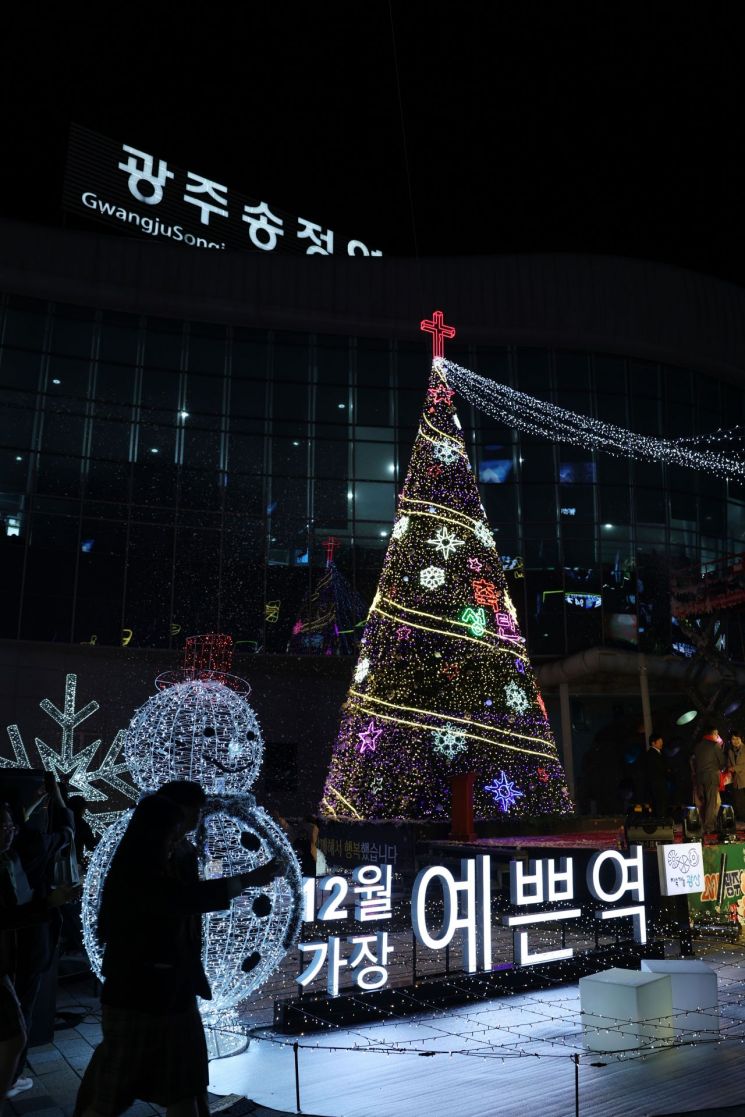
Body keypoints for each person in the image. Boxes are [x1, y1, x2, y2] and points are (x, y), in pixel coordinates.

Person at [75, 793, 285, 1117]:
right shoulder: (138, 871)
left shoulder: (165, 860)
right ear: (154, 833)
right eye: (172, 832)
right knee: (113, 1089)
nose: (178, 837)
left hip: (173, 991)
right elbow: (177, 899)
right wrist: (247, 879)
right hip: (140, 996)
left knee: (184, 1087)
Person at [0, 802, 79, 1104]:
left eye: (11, 828)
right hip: (13, 959)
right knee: (16, 1030)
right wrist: (49, 904)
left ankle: (11, 1075)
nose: (8, 834)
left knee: (19, 1025)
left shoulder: (12, 857)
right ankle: (8, 1079)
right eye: (2, 828)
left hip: (24, 954)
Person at [693, 725, 726, 835]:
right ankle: (709, 827)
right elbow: (722, 762)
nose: (717, 736)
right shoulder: (715, 745)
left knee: (705, 803)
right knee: (712, 803)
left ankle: (703, 826)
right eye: (716, 733)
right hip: (711, 777)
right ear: (712, 734)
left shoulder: (698, 746)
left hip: (700, 778)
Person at [641, 731, 669, 817]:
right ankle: (661, 820)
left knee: (660, 802)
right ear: (653, 743)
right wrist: (667, 770)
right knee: (659, 802)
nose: (662, 744)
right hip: (657, 783)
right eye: (660, 742)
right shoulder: (652, 754)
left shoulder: (655, 753)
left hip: (657, 782)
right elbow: (659, 768)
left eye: (662, 742)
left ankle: (660, 818)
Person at [725, 731, 745, 822]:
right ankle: (741, 818)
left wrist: (735, 768)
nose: (735, 741)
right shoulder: (730, 751)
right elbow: (729, 764)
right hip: (736, 780)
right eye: (733, 739)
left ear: (741, 739)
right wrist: (729, 768)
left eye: (737, 738)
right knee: (738, 802)